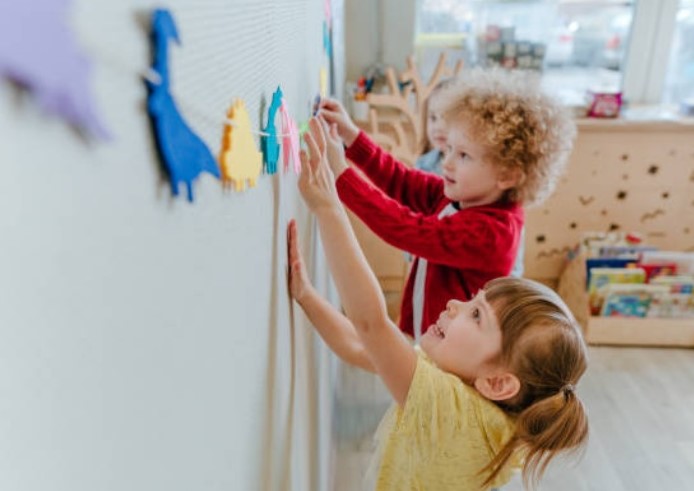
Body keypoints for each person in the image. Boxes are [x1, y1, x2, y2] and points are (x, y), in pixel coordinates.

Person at [288, 118, 589, 490]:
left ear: (497, 383)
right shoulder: (473, 394)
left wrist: (328, 206)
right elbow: (358, 345)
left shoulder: (451, 412)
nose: (452, 305)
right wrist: (305, 294)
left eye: (476, 315)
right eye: (471, 300)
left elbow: (370, 324)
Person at [318, 68, 575, 341]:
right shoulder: (459, 195)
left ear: (508, 174)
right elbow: (401, 180)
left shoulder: (491, 233)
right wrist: (352, 137)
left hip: (453, 358)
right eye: (449, 149)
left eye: (464, 155)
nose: (447, 162)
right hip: (431, 339)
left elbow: (404, 228)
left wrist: (340, 176)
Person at [415, 77, 526, 277]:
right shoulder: (424, 164)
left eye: (445, 119)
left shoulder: (499, 214)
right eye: (433, 118)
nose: (439, 127)